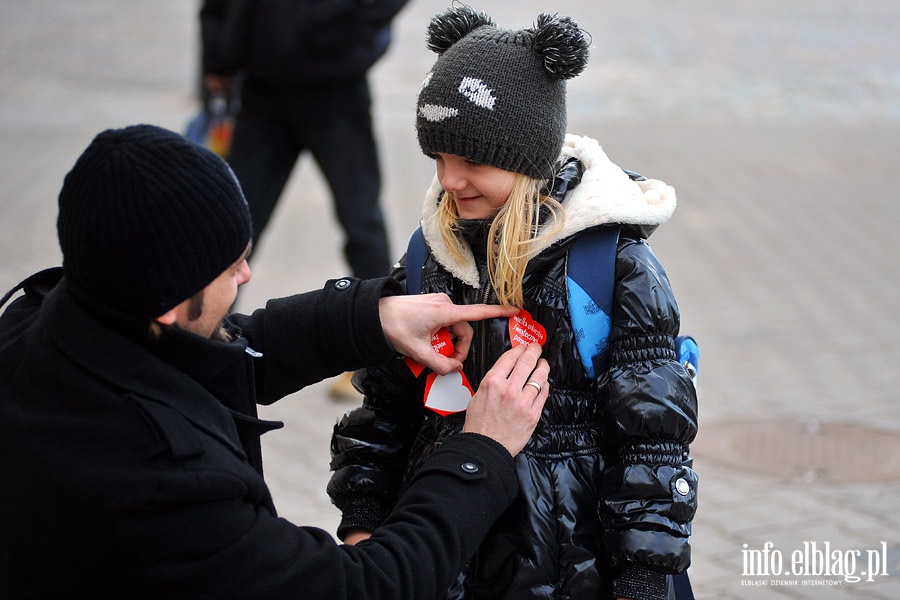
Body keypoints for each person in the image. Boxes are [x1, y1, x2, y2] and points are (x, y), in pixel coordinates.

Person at [0, 124, 552, 599]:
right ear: (167, 303)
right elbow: (361, 589)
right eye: (232, 265)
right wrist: (481, 450)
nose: (246, 275)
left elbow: (201, 358)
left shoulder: (45, 323)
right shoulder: (163, 487)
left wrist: (367, 318)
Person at [327, 7, 699, 600]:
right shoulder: (432, 256)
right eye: (439, 158)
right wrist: (364, 513)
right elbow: (386, 404)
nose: (449, 181)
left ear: (528, 158)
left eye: (472, 160)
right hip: (443, 552)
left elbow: (652, 440)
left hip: (572, 565)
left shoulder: (612, 269)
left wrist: (643, 576)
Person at [200, 0, 408, 399]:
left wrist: (341, 34)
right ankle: (203, 342)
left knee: (361, 221)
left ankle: (377, 357)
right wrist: (217, 57)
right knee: (232, 223)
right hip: (260, 88)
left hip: (335, 87)